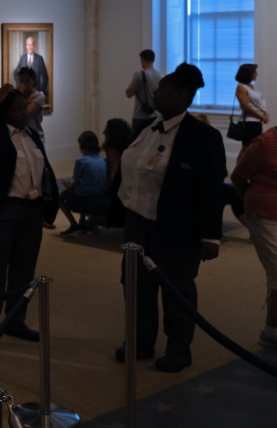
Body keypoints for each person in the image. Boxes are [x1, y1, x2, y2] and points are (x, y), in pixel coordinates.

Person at [113, 63, 227, 373]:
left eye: (162, 88)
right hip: (138, 223)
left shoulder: (202, 137)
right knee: (136, 286)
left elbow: (210, 190)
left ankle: (179, 348)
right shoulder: (147, 128)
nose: (156, 92)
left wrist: (210, 236)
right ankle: (140, 342)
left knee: (177, 289)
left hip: (176, 227)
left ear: (180, 95)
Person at [0, 83, 60, 352]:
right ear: (6, 112)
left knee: (24, 271)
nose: (23, 113)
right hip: (4, 212)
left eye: (24, 108)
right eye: (16, 109)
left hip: (31, 212)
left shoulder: (32, 136)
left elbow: (42, 171)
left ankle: (15, 321)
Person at [231, 126, 277, 348]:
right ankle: (271, 332)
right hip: (263, 214)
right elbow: (238, 176)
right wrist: (249, 199)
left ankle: (271, 329)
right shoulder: (265, 143)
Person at [58, 131, 108, 237]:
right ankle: (82, 220)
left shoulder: (81, 161)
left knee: (61, 197)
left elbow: (75, 182)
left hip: (87, 194)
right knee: (81, 187)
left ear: (82, 145)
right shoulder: (101, 160)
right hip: (100, 192)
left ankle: (74, 224)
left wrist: (67, 187)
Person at [235, 63, 269, 165]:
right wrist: (261, 116)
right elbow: (245, 106)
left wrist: (264, 115)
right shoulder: (241, 87)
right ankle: (238, 173)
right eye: (254, 72)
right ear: (248, 73)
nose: (256, 74)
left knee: (253, 149)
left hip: (256, 122)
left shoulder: (251, 86)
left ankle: (247, 172)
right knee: (247, 149)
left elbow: (258, 105)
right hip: (249, 123)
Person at [126, 49, 161, 140]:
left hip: (140, 116)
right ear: (153, 60)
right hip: (155, 115)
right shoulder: (159, 76)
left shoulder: (139, 75)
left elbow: (129, 94)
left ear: (143, 60)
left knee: (136, 144)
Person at [16, 67, 46, 144]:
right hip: (20, 137)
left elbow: (26, 113)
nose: (24, 83)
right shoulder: (17, 96)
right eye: (21, 80)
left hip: (35, 137)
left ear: (33, 81)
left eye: (27, 80)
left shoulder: (39, 96)